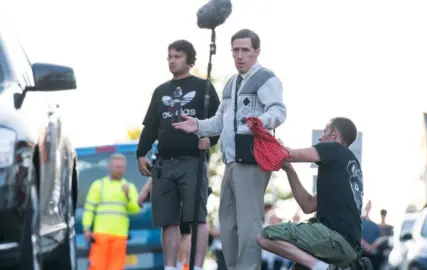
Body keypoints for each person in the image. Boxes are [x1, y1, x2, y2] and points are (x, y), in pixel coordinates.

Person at [173, 29, 287, 269]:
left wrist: (262, 121)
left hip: (252, 159)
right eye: (235, 50)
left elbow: (278, 111)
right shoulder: (231, 83)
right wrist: (198, 126)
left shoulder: (266, 78)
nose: (240, 55)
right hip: (231, 161)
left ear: (257, 52)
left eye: (245, 50)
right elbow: (218, 121)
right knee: (227, 223)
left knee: (248, 224)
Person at [136, 39, 220, 270]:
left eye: (177, 56)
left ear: (189, 60)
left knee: (197, 218)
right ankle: (170, 267)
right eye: (169, 57)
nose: (172, 61)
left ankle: (197, 266)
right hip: (164, 163)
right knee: (167, 220)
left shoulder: (204, 87)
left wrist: (210, 139)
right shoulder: (161, 90)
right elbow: (151, 126)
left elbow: (217, 122)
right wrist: (141, 153)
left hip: (193, 160)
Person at [255, 117, 373, 270]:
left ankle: (322, 268)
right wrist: (289, 169)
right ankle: (324, 266)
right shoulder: (347, 169)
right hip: (347, 249)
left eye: (324, 131)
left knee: (265, 236)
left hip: (333, 238)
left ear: (334, 135)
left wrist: (270, 141)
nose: (320, 137)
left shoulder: (334, 148)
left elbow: (287, 154)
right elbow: (308, 205)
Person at [82, 153, 142, 270]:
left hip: (120, 235)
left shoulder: (129, 187)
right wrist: (86, 228)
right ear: (110, 167)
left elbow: (135, 210)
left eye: (121, 167)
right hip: (101, 235)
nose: (119, 170)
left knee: (116, 267)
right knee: (97, 266)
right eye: (117, 167)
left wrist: (127, 195)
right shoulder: (98, 185)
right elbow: (89, 209)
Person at [361, 201, 382, 270]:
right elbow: (357, 235)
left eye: (370, 205)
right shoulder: (360, 221)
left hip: (373, 252)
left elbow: (379, 238)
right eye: (367, 205)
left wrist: (372, 247)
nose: (368, 207)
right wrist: (365, 246)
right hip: (361, 251)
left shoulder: (375, 226)